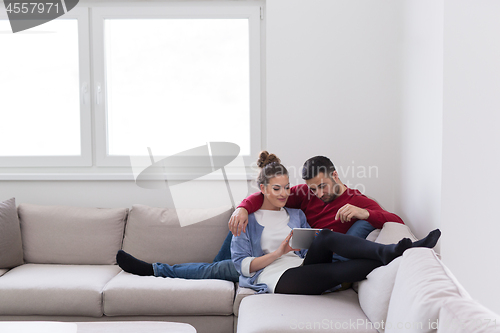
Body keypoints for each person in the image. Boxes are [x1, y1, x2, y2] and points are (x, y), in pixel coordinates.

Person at [231, 152, 441, 294]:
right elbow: (268, 195)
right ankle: (395, 252)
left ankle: (395, 250)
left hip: (310, 259)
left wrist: (364, 213)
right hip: (289, 264)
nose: (318, 194)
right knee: (221, 267)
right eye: (313, 188)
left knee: (325, 236)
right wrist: (242, 208)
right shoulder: (305, 194)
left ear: (335, 175)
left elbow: (397, 221)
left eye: (322, 186)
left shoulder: (357, 200)